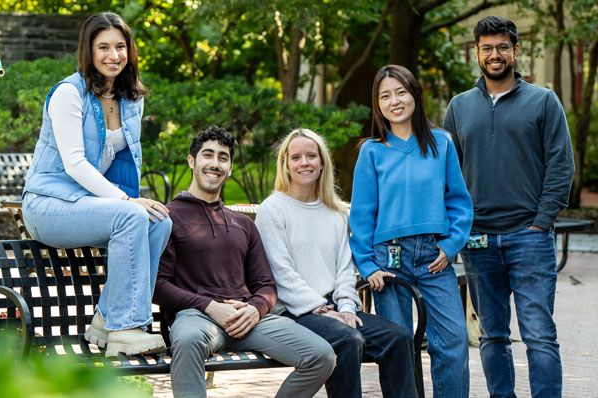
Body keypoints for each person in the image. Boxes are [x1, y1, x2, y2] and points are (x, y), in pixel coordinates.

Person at [22, 12, 171, 357]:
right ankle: (126, 328)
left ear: (130, 51)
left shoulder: (132, 98)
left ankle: (106, 319)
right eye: (103, 47)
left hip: (91, 204)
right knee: (131, 215)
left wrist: (130, 201)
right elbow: (75, 164)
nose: (113, 55)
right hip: (48, 204)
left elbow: (122, 164)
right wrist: (126, 202)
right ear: (88, 51)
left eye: (120, 46)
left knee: (159, 221)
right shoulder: (68, 93)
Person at [444, 16, 574, 398]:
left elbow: (561, 165)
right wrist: (460, 227)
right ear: (477, 54)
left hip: (529, 237)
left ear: (516, 51)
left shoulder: (543, 101)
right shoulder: (459, 107)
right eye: (487, 48)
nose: (495, 54)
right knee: (492, 334)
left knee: (539, 334)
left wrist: (542, 221)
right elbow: (449, 172)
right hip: (478, 238)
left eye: (502, 47)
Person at [153, 126, 336, 398]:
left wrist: (256, 309)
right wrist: (210, 307)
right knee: (188, 339)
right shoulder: (168, 217)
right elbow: (157, 286)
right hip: (197, 318)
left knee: (321, 356)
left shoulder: (243, 224)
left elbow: (266, 284)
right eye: (208, 155)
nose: (215, 164)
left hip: (247, 319)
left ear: (230, 167)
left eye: (223, 158)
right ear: (192, 161)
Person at [255, 128, 418, 398]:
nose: (304, 163)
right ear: (285, 164)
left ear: (322, 163)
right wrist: (323, 309)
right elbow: (281, 275)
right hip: (295, 312)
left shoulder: (335, 213)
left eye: (311, 156)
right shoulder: (273, 209)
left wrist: (345, 307)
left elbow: (345, 269)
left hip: (335, 308)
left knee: (399, 338)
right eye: (296, 157)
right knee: (347, 339)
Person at [349, 64, 474, 398]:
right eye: (385, 95)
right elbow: (362, 215)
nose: (395, 101)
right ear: (377, 105)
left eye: (401, 91)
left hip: (435, 257)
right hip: (387, 261)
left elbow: (460, 203)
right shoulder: (372, 151)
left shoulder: (441, 143)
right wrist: (367, 264)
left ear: (415, 94)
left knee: (453, 342)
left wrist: (451, 246)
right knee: (399, 345)